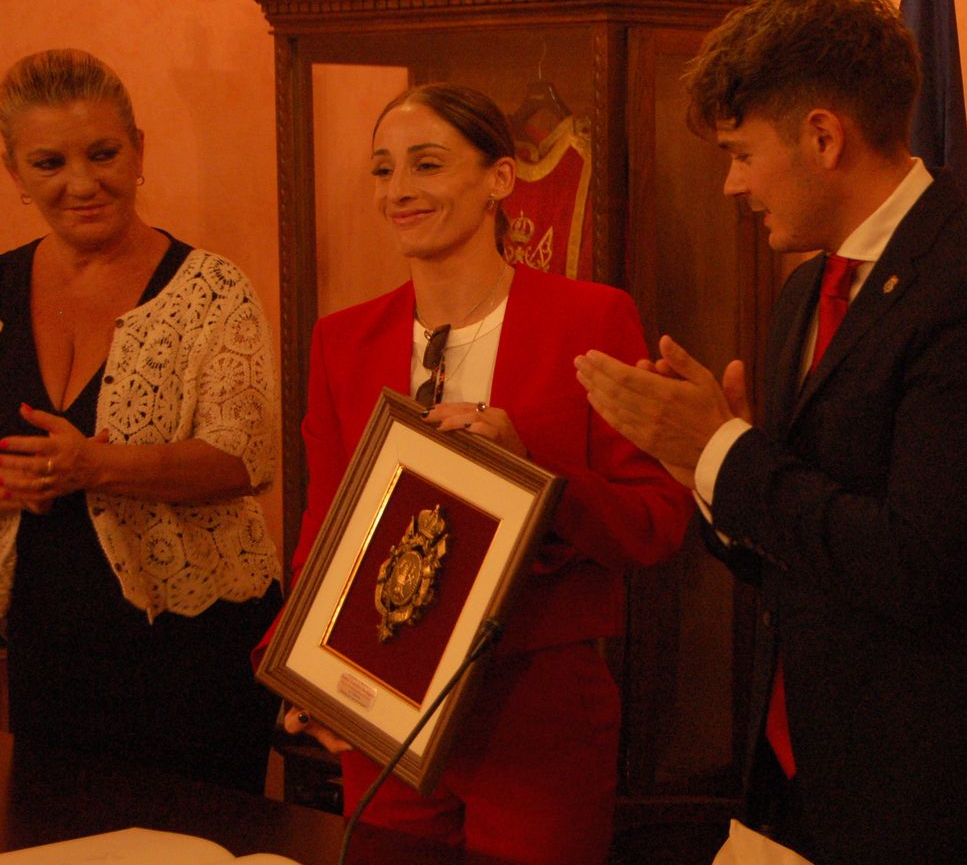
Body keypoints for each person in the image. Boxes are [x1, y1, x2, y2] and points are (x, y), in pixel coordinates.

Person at [575, 0, 967, 865]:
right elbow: (793, 552)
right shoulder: (802, 294)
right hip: (804, 787)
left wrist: (724, 451)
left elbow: (911, 566)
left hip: (947, 807)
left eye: (743, 153)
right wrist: (703, 473)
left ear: (824, 138)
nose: (731, 184)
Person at [277, 83, 692, 863]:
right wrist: (304, 675)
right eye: (382, 170)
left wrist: (537, 468)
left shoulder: (592, 318)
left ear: (501, 179)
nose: (399, 190)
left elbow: (657, 524)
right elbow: (321, 530)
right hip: (383, 707)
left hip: (536, 713)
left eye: (426, 165)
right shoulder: (342, 341)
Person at [0, 48, 282, 793]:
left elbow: (241, 461)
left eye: (103, 154)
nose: (82, 183)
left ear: (139, 152)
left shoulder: (214, 291)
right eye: (49, 162)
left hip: (193, 660)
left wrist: (93, 465)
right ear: (14, 174)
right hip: (43, 663)